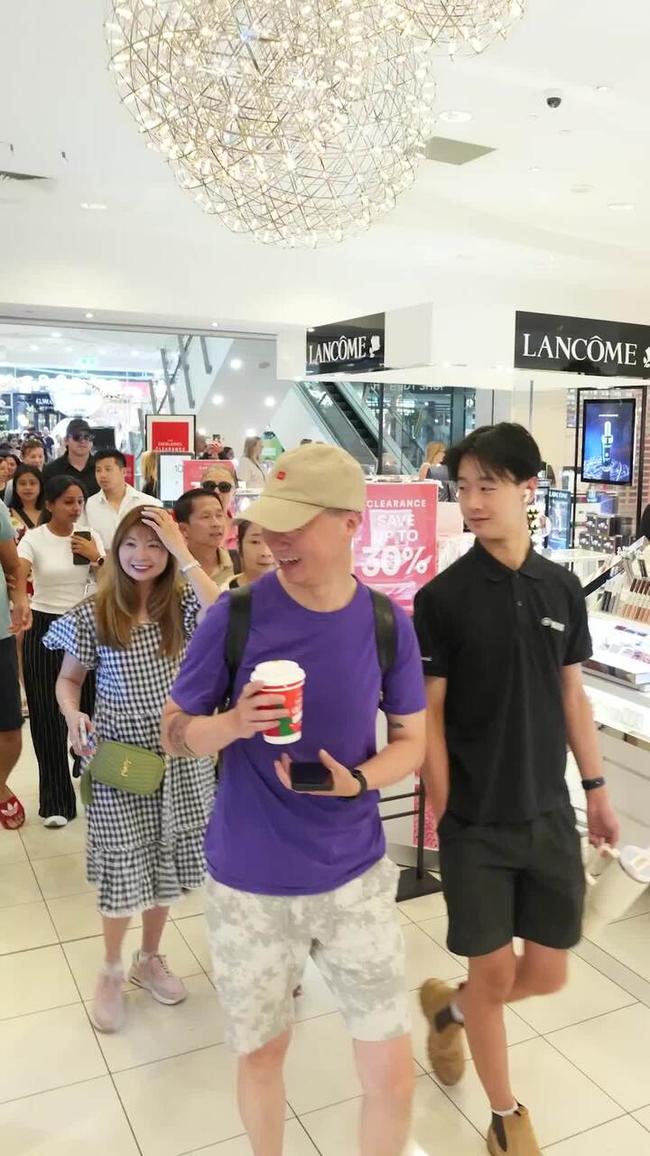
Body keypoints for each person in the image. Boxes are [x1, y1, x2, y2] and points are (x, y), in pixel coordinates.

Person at [162, 443, 426, 1156]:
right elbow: (174, 734)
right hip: (250, 884)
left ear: (349, 523)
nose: (275, 539)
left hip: (356, 877)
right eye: (268, 523)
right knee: (262, 1055)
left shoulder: (385, 623)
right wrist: (231, 723)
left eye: (296, 523)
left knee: (391, 1072)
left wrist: (361, 780)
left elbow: (412, 742)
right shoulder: (236, 616)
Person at [413, 423, 620, 1156]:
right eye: (462, 486)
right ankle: (507, 1118)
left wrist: (595, 788)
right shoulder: (442, 597)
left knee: (549, 972)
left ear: (528, 490)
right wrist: (444, 811)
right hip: (475, 820)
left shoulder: (561, 586)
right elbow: (427, 714)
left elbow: (572, 698)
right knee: (495, 974)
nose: (471, 500)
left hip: (547, 812)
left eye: (487, 486)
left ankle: (450, 1010)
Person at [43, 506, 219, 1033]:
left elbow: (224, 610)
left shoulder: (184, 606)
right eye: (131, 545)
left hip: (180, 754)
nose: (142, 556)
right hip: (120, 757)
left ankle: (150, 958)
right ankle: (112, 970)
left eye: (155, 546)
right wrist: (73, 714)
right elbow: (68, 682)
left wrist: (184, 551)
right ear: (115, 550)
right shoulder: (96, 611)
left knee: (165, 863)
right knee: (123, 867)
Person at [18, 476, 104, 827]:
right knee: (46, 713)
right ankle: (56, 800)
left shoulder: (89, 536)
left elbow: (110, 580)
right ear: (50, 504)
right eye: (68, 501)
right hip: (45, 625)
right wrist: (20, 601)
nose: (75, 508)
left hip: (88, 623)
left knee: (94, 706)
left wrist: (96, 557)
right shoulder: (33, 539)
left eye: (79, 501)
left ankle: (95, 780)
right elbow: (19, 573)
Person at [0, 502, 31, 829]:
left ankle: (0, 785)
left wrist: (21, 600)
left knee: (9, 728)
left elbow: (13, 566)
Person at [85, 448, 162, 550]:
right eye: (98, 470)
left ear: (124, 471)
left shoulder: (149, 504)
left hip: (139, 562)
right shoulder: (89, 505)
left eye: (108, 469)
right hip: (101, 563)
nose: (102, 475)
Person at [174, 488, 235, 589]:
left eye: (219, 515)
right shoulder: (171, 570)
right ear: (184, 529)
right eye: (206, 517)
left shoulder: (237, 563)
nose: (216, 523)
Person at [43, 418, 100, 497]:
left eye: (87, 437)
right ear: (66, 440)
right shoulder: (51, 471)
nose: (82, 441)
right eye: (77, 437)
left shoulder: (101, 468)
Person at [229, 520, 276, 589]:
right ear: (239, 545)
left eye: (273, 541)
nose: (265, 552)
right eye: (255, 542)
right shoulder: (219, 594)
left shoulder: (295, 594)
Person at [8, 464, 45, 535]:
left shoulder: (52, 513)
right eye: (22, 483)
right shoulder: (6, 515)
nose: (28, 487)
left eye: (33, 483)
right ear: (15, 487)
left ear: (41, 486)